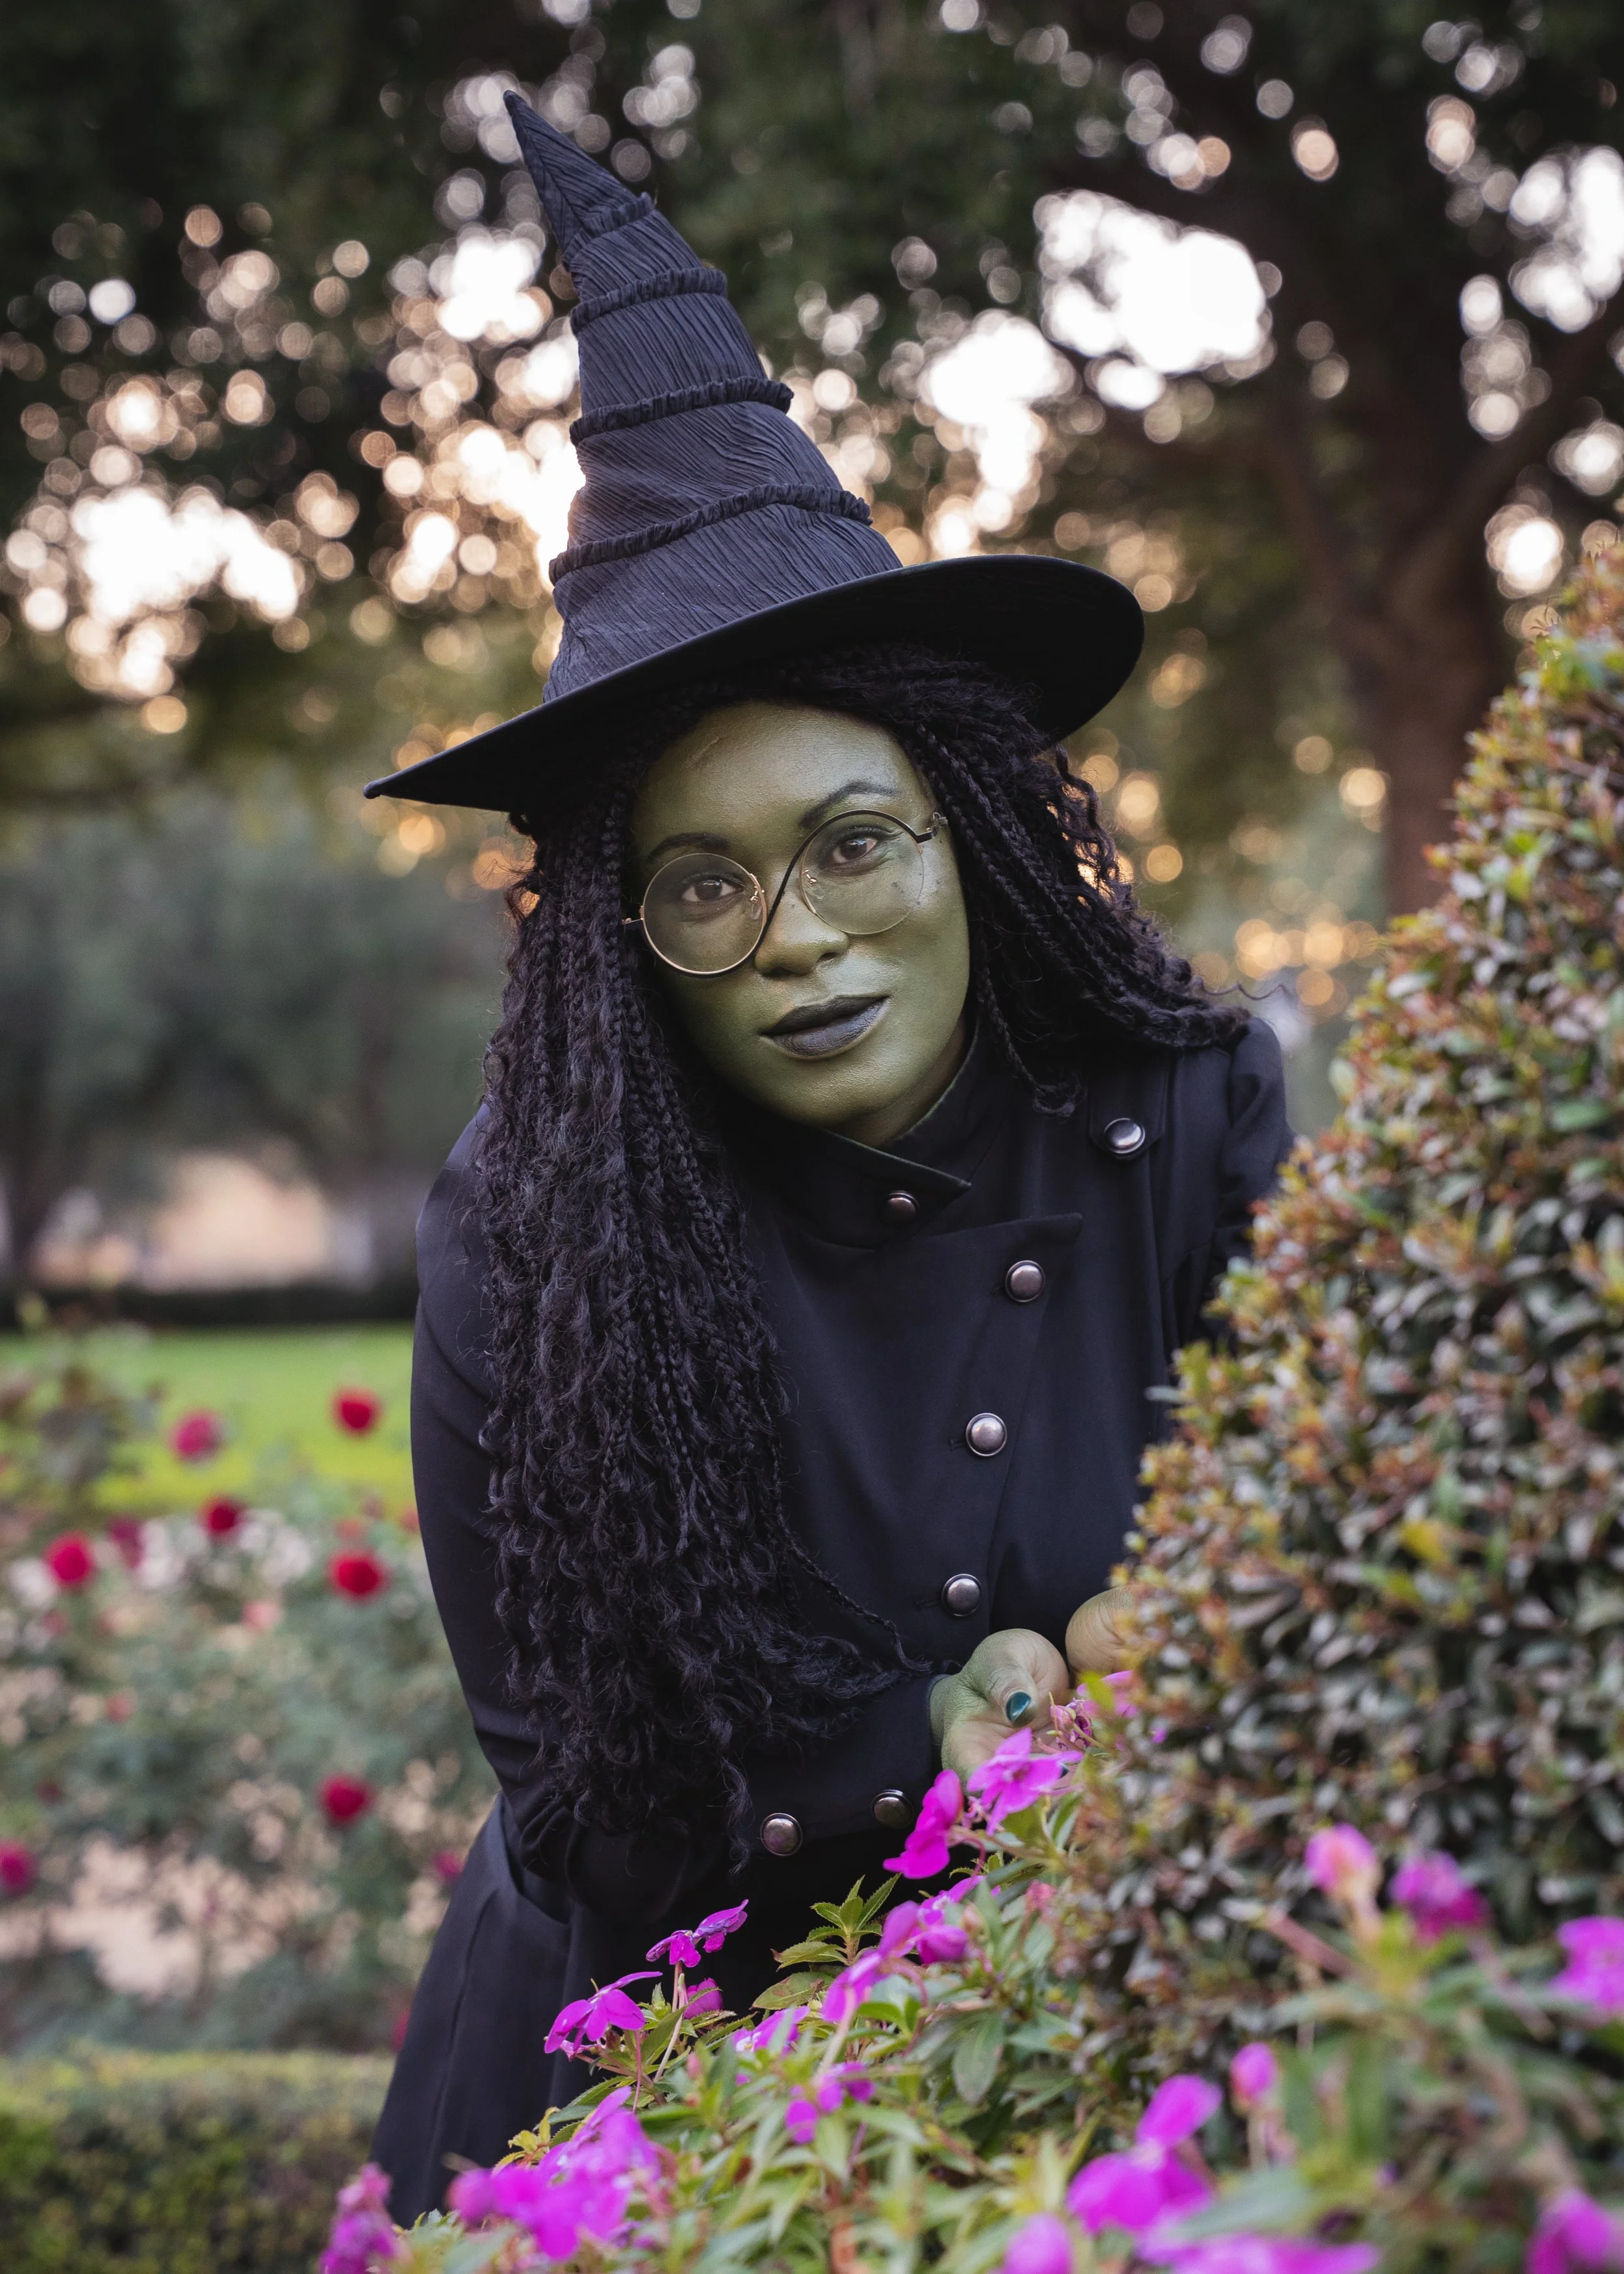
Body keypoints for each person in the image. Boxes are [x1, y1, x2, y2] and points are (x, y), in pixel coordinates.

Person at [369, 95, 1291, 2221]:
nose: (792, 938)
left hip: (1099, 2073)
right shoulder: (531, 1226)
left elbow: (1292, 1580)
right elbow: (588, 1802)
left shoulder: (1188, 1111)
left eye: (849, 843)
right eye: (699, 889)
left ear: (966, 830)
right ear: (621, 944)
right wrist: (942, 1729)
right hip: (643, 2121)